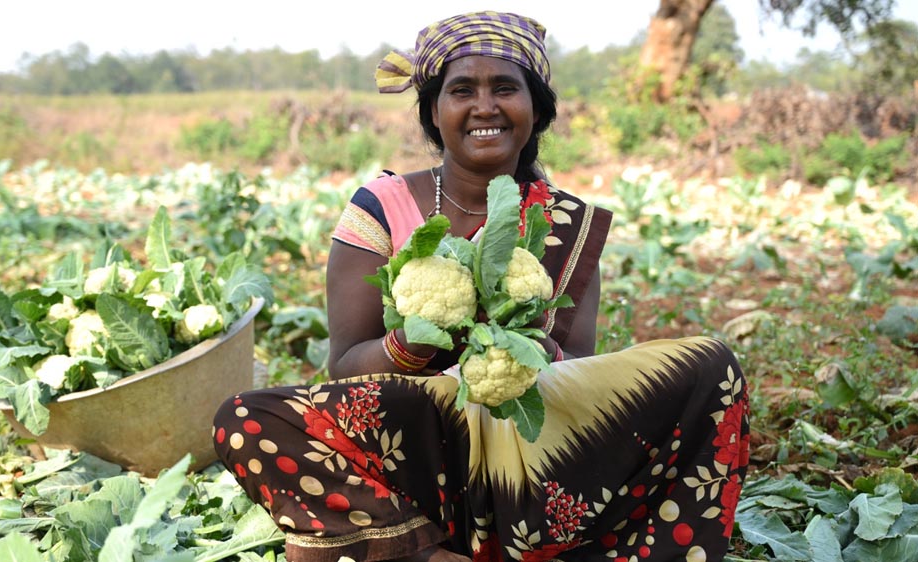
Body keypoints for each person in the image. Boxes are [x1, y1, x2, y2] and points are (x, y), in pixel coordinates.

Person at [214, 11, 749, 562]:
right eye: (462, 89)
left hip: (537, 452)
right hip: (416, 443)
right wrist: (414, 345)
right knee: (244, 419)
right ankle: (426, 552)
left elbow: (578, 369)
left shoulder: (566, 221)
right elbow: (345, 363)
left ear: (535, 108)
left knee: (712, 367)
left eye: (505, 89)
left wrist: (526, 350)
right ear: (434, 111)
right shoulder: (381, 207)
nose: (485, 107)